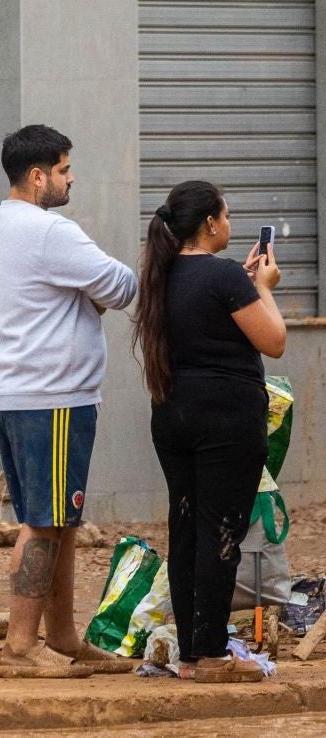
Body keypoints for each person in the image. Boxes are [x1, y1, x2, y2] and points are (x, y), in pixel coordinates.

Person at [0, 124, 137, 680]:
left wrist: (80, 293)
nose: (72, 179)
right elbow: (122, 286)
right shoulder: (50, 231)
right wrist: (89, 293)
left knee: (58, 519)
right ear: (38, 175)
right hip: (51, 394)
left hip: (18, 388)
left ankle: (63, 638)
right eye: (65, 170)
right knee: (45, 522)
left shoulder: (2, 222)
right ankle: (20, 647)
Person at [133, 181, 287, 683]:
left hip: (172, 412)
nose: (229, 224)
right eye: (226, 214)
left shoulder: (160, 274)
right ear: (210, 224)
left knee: (187, 530)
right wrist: (262, 288)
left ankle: (192, 654)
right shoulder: (225, 277)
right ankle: (212, 655)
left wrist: (243, 287)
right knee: (222, 534)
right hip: (226, 417)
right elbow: (275, 341)